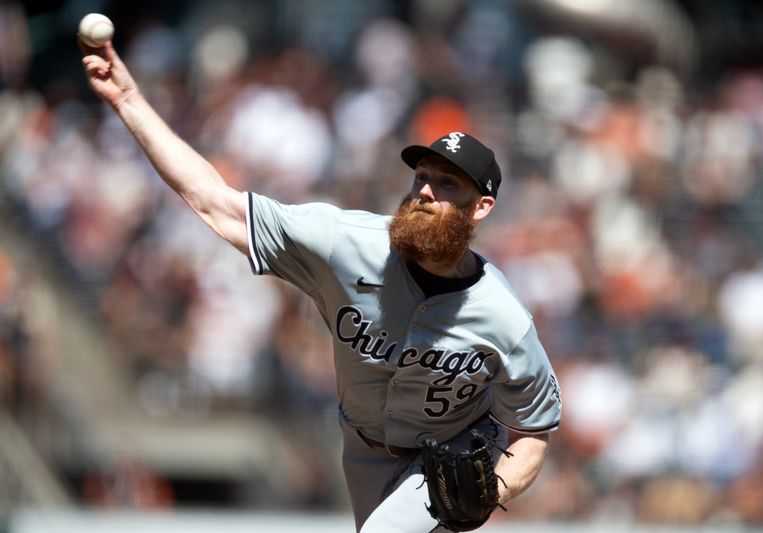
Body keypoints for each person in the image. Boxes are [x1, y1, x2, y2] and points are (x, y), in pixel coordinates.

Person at [80, 40, 561, 532]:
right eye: (421, 176)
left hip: (445, 459)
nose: (425, 191)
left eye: (448, 185)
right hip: (360, 450)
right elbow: (213, 201)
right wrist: (128, 101)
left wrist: (495, 488)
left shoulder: (503, 317)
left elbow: (534, 430)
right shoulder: (343, 243)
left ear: (481, 207)